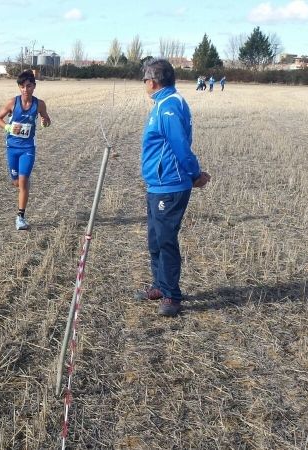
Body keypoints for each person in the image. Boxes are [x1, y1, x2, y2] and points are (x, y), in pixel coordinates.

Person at [135, 58, 211, 317]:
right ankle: (159, 285)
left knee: (166, 240)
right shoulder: (162, 103)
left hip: (170, 184)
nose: (144, 84)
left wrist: (195, 174)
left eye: (145, 79)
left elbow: (180, 146)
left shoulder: (169, 106)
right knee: (155, 238)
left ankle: (172, 295)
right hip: (157, 184)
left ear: (153, 81)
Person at [0, 70, 51, 231]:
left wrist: (45, 122)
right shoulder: (13, 102)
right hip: (12, 147)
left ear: (34, 86)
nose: (25, 89)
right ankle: (20, 182)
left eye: (29, 86)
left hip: (28, 148)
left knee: (23, 181)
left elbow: (46, 120)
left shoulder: (39, 104)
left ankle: (20, 217)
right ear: (19, 87)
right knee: (16, 182)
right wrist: (8, 127)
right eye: (22, 86)